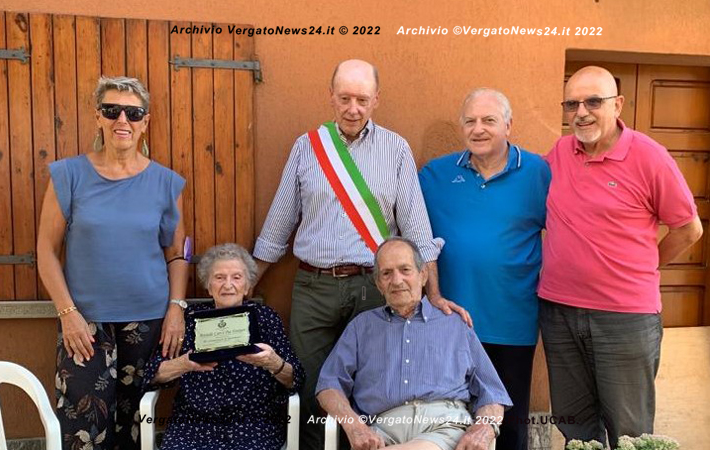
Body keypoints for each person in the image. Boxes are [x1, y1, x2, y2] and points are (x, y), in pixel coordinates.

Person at [252, 59, 468, 449]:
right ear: (330, 97)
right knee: (311, 382)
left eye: (362, 100)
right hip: (314, 285)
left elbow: (418, 232)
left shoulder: (396, 148)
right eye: (345, 98)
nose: (353, 108)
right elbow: (278, 226)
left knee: (373, 384)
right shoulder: (307, 147)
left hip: (375, 287)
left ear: (376, 100)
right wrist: (248, 284)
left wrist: (433, 294)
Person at [538, 65, 703, 448]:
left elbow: (689, 229)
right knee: (575, 427)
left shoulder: (650, 157)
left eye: (593, 101)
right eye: (572, 103)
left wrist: (645, 267)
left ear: (618, 104)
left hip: (625, 318)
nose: (581, 112)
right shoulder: (560, 152)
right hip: (559, 312)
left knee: (629, 431)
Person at [37, 76, 189, 450]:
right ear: (98, 117)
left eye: (133, 112)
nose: (123, 119)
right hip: (85, 323)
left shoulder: (167, 183)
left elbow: (178, 253)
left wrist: (177, 308)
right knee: (83, 424)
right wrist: (67, 312)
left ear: (145, 121)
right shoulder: (68, 175)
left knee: (136, 424)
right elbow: (45, 249)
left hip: (148, 321)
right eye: (112, 110)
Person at [419, 88, 550, 450]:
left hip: (513, 320)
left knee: (508, 424)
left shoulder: (539, 172)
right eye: (470, 121)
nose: (478, 129)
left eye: (489, 120)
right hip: (450, 322)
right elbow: (412, 235)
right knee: (451, 422)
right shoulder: (434, 175)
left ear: (508, 125)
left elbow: (567, 231)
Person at [316, 237, 512, 450]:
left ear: (423, 275)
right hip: (381, 432)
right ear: (378, 284)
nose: (397, 280)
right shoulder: (361, 327)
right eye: (387, 273)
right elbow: (328, 385)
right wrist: (354, 426)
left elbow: (493, 393)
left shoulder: (454, 324)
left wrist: (485, 428)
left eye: (405, 270)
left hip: (444, 428)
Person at [142, 243, 304, 450]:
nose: (228, 285)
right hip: (193, 423)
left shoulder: (265, 318)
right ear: (208, 285)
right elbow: (151, 374)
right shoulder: (188, 320)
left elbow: (296, 378)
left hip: (254, 423)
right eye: (219, 277)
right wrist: (183, 364)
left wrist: (273, 363)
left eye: (237, 277)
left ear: (247, 286)